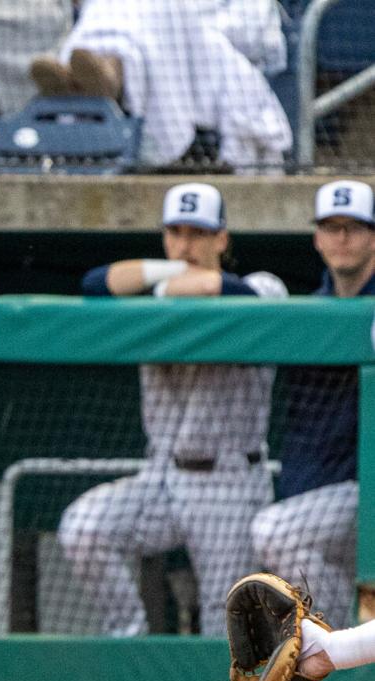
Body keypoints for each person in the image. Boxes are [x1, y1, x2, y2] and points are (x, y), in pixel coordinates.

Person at [61, 182, 289, 638]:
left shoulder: (263, 285)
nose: (187, 244)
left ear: (222, 239)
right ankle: (129, 642)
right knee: (83, 528)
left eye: (199, 233)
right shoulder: (155, 295)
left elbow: (232, 292)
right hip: (161, 480)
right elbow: (92, 284)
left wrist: (174, 282)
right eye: (176, 233)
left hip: (229, 482)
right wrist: (168, 274)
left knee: (222, 627)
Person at [250, 181, 375, 631]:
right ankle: (348, 646)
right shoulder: (306, 312)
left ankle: (340, 641)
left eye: (354, 227)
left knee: (274, 531)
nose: (342, 238)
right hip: (322, 494)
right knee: (286, 548)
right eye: (331, 227)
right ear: (317, 238)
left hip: (366, 490)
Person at [29, 0, 291, 170]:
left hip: (200, 32)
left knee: (156, 9)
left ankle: (98, 78)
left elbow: (252, 23)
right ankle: (90, 76)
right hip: (155, 25)